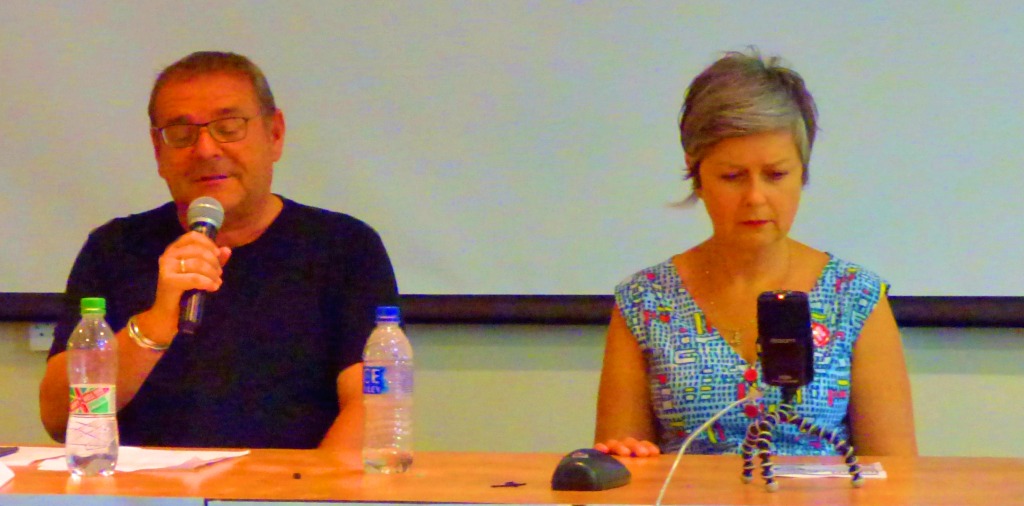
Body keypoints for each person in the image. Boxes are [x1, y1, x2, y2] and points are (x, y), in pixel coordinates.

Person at [39, 51, 399, 450]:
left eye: (229, 128)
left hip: (290, 482)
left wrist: (309, 483)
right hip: (141, 483)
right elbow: (58, 418)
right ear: (158, 151)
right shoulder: (114, 248)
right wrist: (155, 324)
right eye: (181, 134)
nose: (206, 149)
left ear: (275, 134)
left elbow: (371, 408)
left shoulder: (345, 247)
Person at [593, 50, 917, 457]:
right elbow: (618, 470)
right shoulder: (645, 302)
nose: (755, 197)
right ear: (697, 176)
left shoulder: (854, 297)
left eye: (776, 175)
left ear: (803, 173)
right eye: (732, 176)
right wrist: (626, 458)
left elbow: (895, 473)